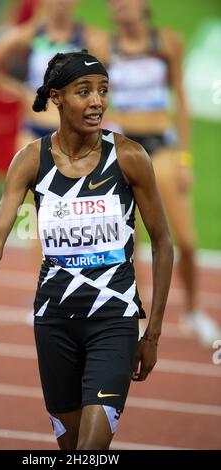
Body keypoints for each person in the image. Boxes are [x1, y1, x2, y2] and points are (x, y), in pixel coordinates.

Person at [0, 50, 173, 450]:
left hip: (114, 318)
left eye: (103, 91)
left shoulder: (128, 157)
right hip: (54, 319)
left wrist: (153, 334)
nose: (97, 101)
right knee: (70, 446)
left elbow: (163, 244)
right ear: (57, 97)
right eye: (84, 92)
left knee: (91, 451)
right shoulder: (31, 160)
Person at [105, 0, 220, 346]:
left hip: (163, 151)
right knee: (131, 243)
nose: (118, 5)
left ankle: (193, 310)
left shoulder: (166, 43)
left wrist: (185, 159)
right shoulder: (104, 46)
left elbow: (182, 100)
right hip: (125, 152)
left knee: (184, 240)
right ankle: (137, 318)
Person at [0, 0, 108, 151]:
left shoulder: (92, 39)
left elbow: (107, 82)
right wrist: (19, 90)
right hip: (34, 130)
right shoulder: (31, 33)